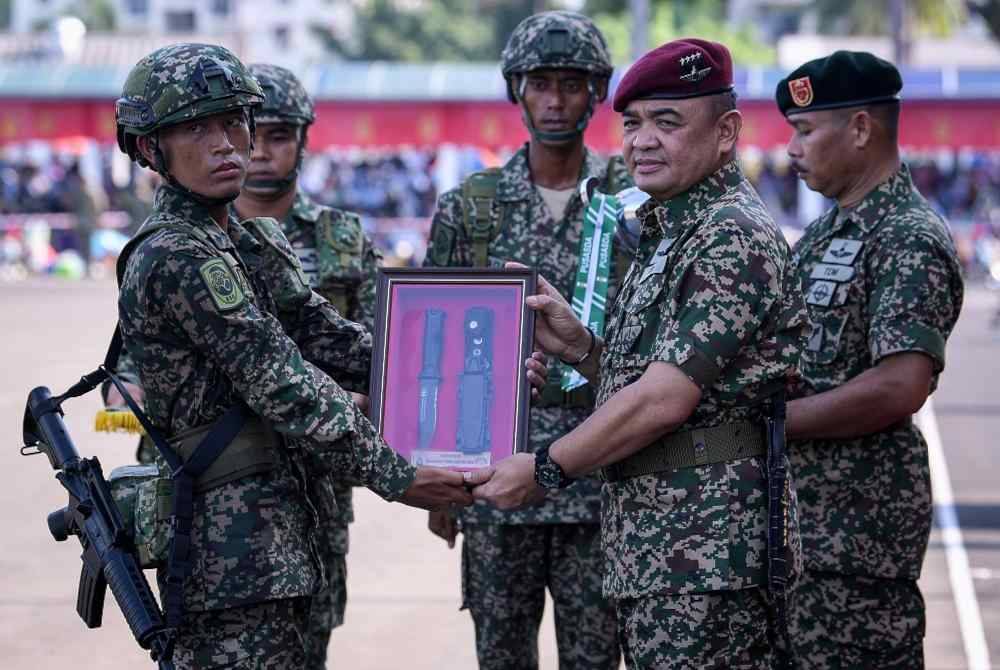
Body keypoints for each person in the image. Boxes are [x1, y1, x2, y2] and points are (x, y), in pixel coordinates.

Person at [114, 43, 479, 668]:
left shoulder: (240, 240)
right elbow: (285, 383)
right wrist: (398, 474)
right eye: (196, 128)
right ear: (151, 149)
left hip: (279, 530)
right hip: (224, 545)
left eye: (234, 121)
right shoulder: (178, 254)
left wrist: (463, 377)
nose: (228, 143)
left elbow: (329, 336)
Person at [472, 38, 806, 669]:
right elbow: (664, 377)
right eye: (632, 123)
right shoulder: (673, 229)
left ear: (727, 131)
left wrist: (544, 467)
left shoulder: (730, 234)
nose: (642, 141)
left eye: (668, 122)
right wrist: (583, 347)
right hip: (666, 549)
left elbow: (664, 399)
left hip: (708, 554)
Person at [422, 11, 628, 669]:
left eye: (572, 83)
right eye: (541, 83)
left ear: (596, 92)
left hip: (604, 473)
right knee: (501, 657)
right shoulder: (471, 207)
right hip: (495, 482)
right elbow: (437, 344)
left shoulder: (633, 201)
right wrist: (438, 475)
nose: (556, 100)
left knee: (596, 659)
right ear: (517, 90)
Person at [776, 51, 965, 669]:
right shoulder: (834, 232)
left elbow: (900, 384)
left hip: (854, 542)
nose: (791, 150)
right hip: (803, 534)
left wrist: (772, 422)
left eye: (806, 131)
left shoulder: (906, 236)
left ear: (860, 129)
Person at [233, 62, 376, 669]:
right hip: (221, 485)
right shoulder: (192, 240)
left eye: (279, 136)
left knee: (307, 645)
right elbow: (133, 372)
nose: (262, 151)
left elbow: (380, 351)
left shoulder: (340, 238)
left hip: (318, 481)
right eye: (249, 133)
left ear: (304, 141)